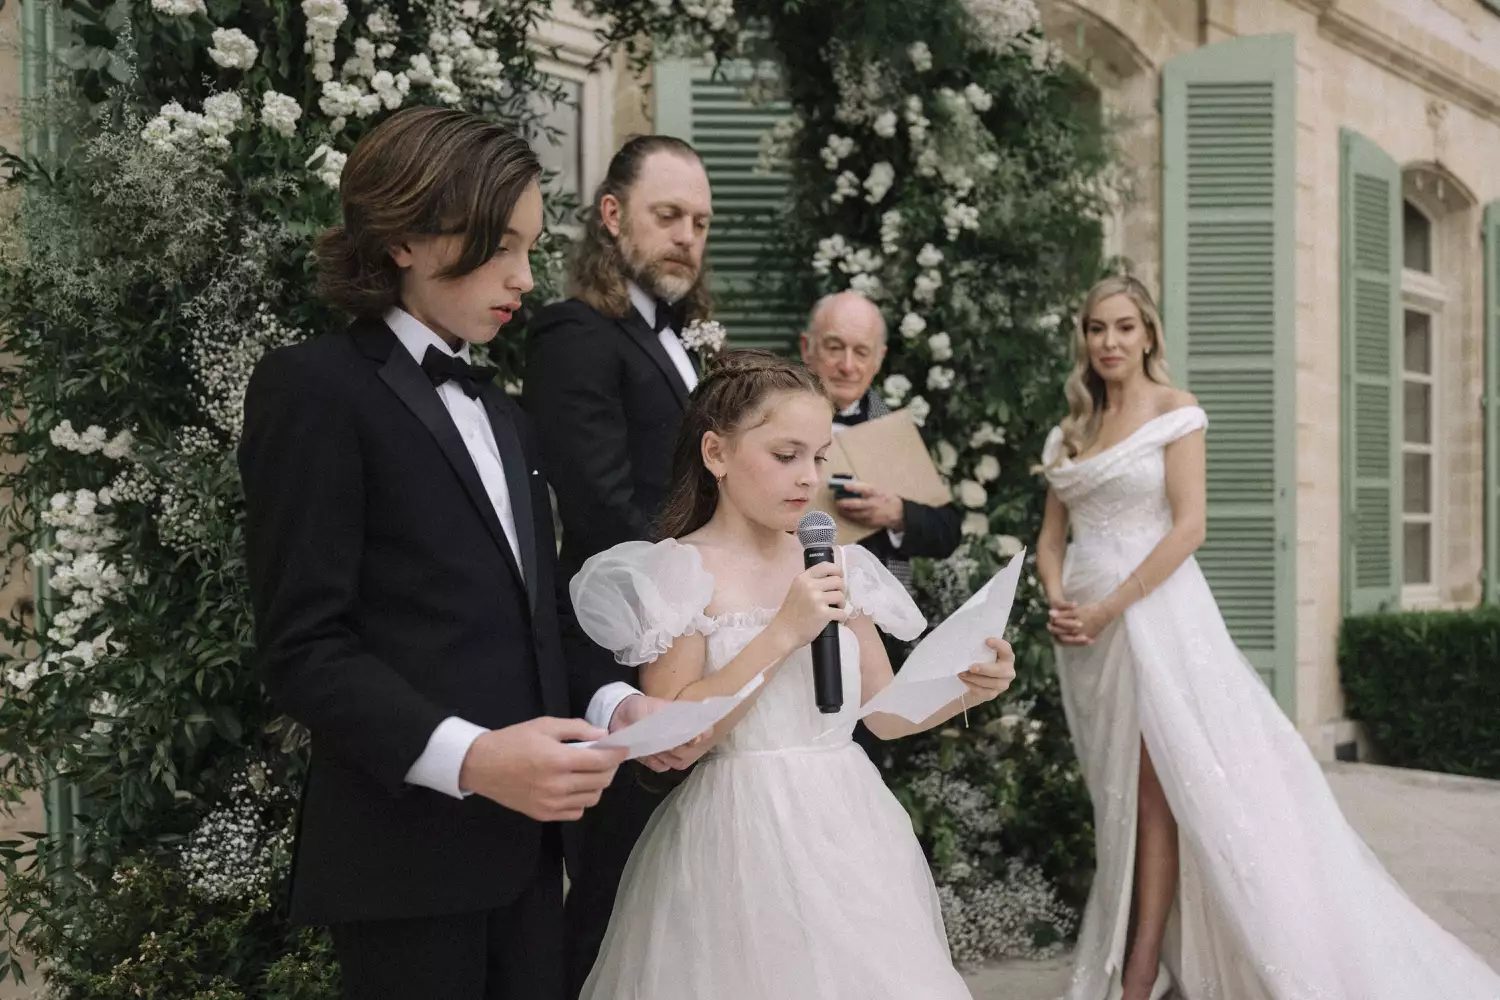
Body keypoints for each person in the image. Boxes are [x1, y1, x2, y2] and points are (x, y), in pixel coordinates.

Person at [239, 108, 692, 1000]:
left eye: (530, 248)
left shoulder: (508, 415)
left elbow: (541, 618)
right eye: (500, 248)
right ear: (406, 235)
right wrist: (475, 760)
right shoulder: (315, 389)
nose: (524, 277)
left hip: (529, 858)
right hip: (401, 863)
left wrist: (617, 706)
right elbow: (304, 648)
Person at [1035, 275, 1500, 1000]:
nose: (1110, 342)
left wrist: (1110, 608)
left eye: (1125, 327)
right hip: (1085, 637)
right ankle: (1151, 948)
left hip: (1156, 619)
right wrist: (1061, 601)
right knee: (1117, 792)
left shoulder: (1176, 412)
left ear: (1149, 334)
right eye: (1097, 329)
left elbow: (1191, 527)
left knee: (1158, 793)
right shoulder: (1070, 431)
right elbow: (1050, 540)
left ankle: (1139, 968)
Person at [571, 349, 1016, 1000]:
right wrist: (782, 632)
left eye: (820, 456)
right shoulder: (679, 572)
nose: (808, 478)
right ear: (717, 455)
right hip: (737, 836)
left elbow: (885, 715)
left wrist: (966, 686)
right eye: (786, 455)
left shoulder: (836, 560)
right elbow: (676, 733)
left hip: (851, 825)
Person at [521, 134, 715, 996]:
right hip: (625, 644)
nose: (686, 236)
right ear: (611, 215)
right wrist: (707, 586)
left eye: (700, 223)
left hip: (700, 636)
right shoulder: (576, 333)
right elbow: (602, 506)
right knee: (613, 898)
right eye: (667, 215)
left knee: (691, 889)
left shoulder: (677, 337)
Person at [799, 290, 964, 763]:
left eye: (861, 352)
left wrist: (897, 514)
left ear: (879, 360)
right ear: (807, 347)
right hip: (781, 612)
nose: (847, 365)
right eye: (834, 347)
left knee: (862, 757)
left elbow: (947, 529)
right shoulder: (771, 422)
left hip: (873, 634)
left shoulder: (896, 430)